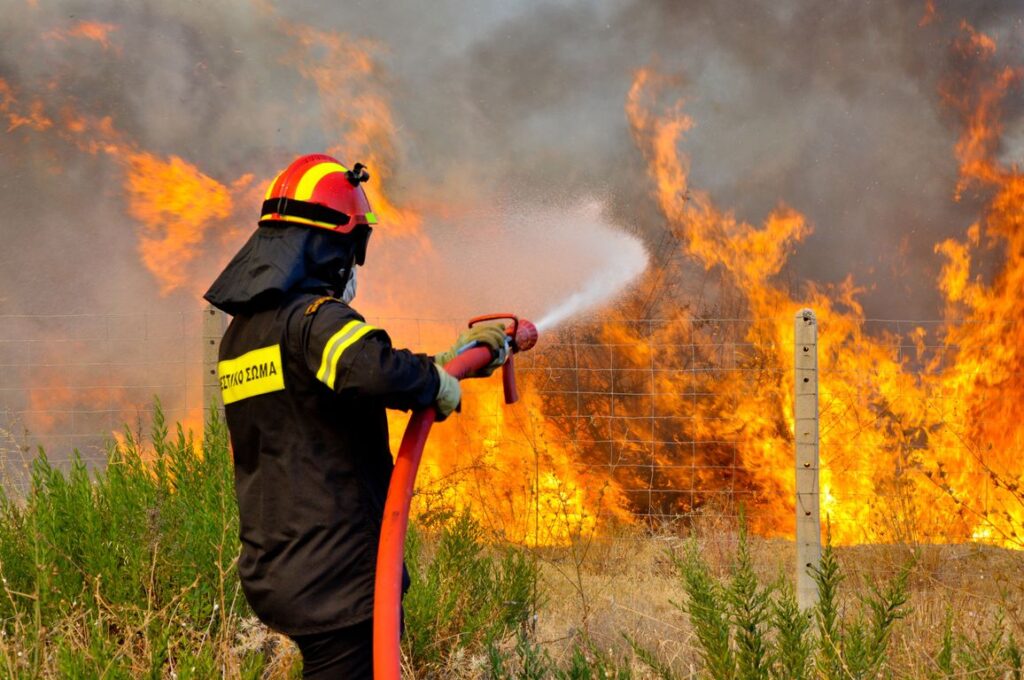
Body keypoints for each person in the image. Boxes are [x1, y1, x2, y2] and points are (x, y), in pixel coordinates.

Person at [203, 153, 507, 678]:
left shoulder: (245, 334)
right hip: (337, 577)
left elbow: (337, 381)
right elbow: (374, 371)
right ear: (331, 247)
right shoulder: (313, 319)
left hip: (281, 565)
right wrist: (437, 383)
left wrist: (442, 363)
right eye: (354, 247)